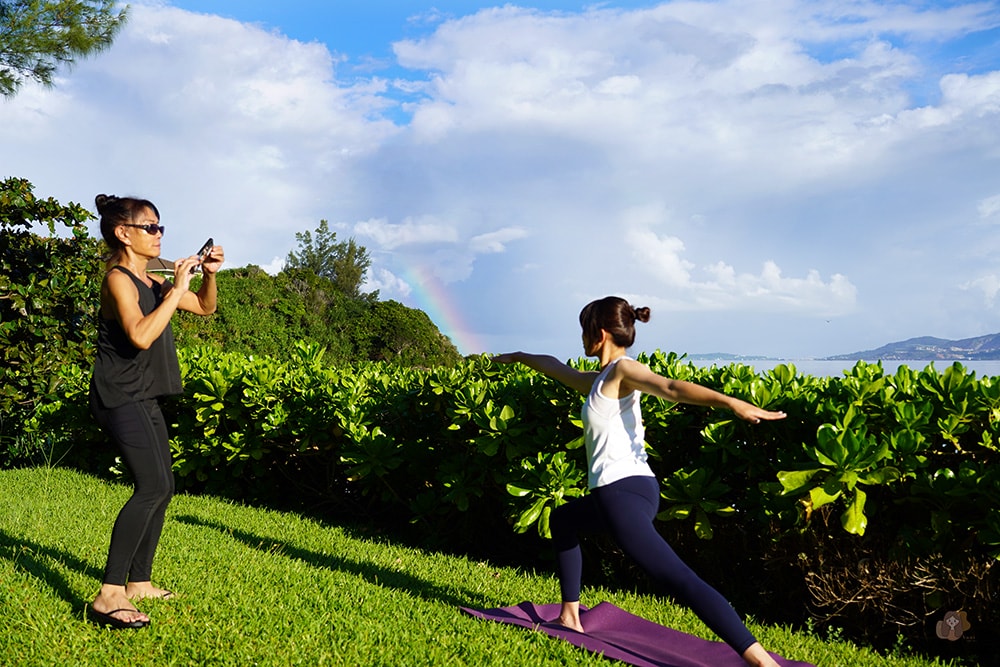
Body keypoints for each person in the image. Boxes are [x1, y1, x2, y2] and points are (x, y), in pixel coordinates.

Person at [493, 296, 787, 667]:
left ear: (600, 334)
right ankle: (570, 616)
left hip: (621, 494)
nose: (580, 339)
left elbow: (671, 387)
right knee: (564, 519)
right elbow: (556, 368)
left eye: (584, 330)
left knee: (678, 577)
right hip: (631, 489)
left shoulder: (623, 370)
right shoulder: (599, 381)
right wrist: (519, 356)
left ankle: (761, 660)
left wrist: (731, 403)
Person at [87, 194, 223, 629]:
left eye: (160, 226)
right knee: (151, 486)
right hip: (118, 395)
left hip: (144, 394)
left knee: (164, 487)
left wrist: (208, 276)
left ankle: (139, 582)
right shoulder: (119, 280)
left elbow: (204, 308)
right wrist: (177, 288)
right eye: (150, 227)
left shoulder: (154, 282)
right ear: (123, 233)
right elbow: (141, 336)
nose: (159, 234)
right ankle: (109, 593)